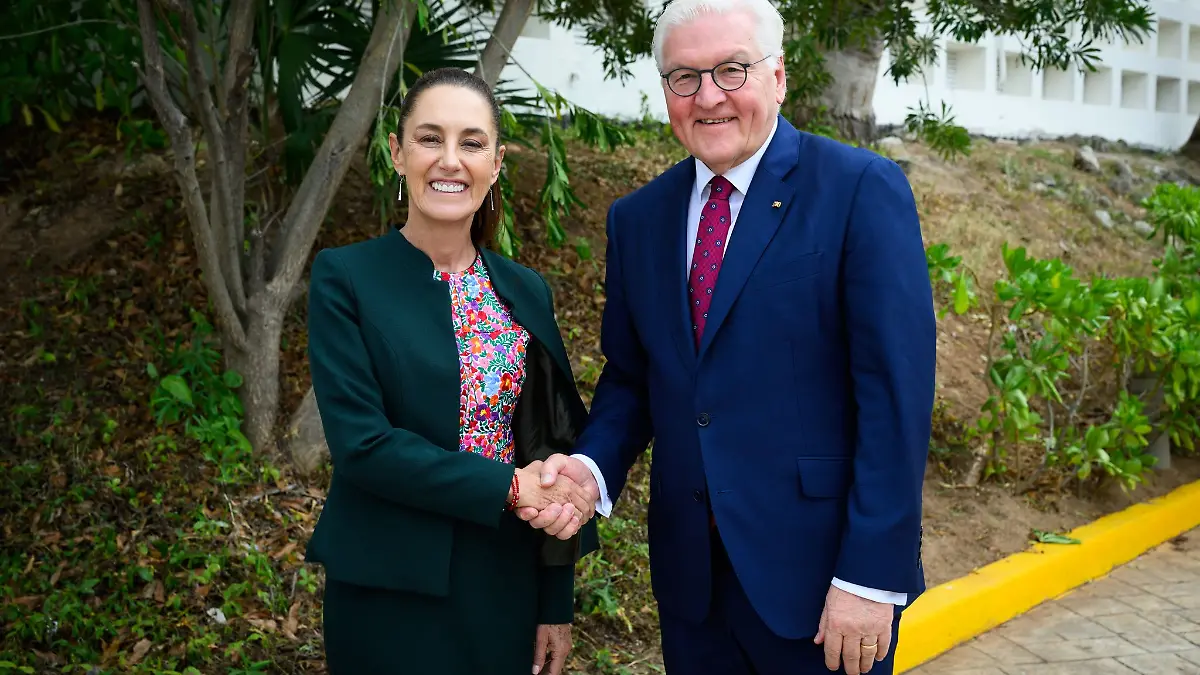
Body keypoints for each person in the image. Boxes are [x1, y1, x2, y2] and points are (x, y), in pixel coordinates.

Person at [517, 1, 936, 673]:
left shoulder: (860, 189)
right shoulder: (639, 218)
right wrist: (589, 470)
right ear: (666, 92)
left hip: (822, 587)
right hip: (693, 588)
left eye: (731, 70)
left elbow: (896, 397)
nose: (708, 96)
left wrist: (870, 575)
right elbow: (632, 379)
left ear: (779, 77)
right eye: (685, 77)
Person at [304, 67, 599, 675]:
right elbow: (363, 445)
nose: (449, 160)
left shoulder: (525, 289)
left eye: (471, 143)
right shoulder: (345, 278)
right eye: (429, 138)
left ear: (495, 165)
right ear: (397, 152)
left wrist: (555, 603)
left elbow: (550, 442)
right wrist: (510, 487)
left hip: (504, 580)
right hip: (388, 583)